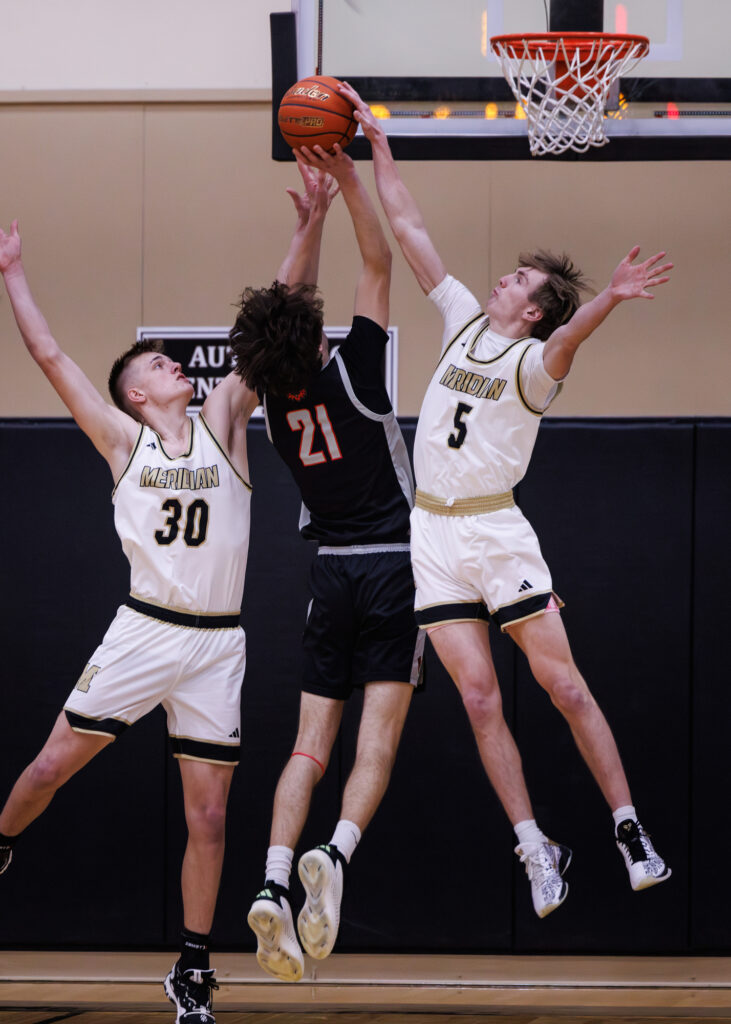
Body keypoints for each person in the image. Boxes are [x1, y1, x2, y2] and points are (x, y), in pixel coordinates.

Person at [332, 82, 673, 919]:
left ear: (530, 308)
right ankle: (534, 849)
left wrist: (606, 301)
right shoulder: (457, 321)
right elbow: (409, 230)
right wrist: (374, 147)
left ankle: (627, 826)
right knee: (478, 699)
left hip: (495, 531)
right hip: (433, 538)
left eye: (517, 278)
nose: (501, 276)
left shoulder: (532, 364)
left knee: (563, 688)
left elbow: (566, 340)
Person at [0, 219, 258, 1022]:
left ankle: (190, 968)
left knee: (208, 815)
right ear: (137, 395)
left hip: (219, 642)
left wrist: (310, 225)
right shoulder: (122, 442)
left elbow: (273, 324)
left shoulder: (223, 425)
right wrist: (11, 273)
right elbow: (51, 358)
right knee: (47, 770)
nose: (173, 363)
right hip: (145, 628)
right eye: (155, 363)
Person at [230, 154, 423, 980]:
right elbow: (378, 262)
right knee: (374, 742)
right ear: (317, 338)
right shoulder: (357, 370)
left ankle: (273, 879)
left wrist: (302, 228)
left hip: (330, 575)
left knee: (309, 746)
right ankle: (334, 857)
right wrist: (345, 180)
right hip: (394, 567)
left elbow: (277, 317)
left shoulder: (268, 403)